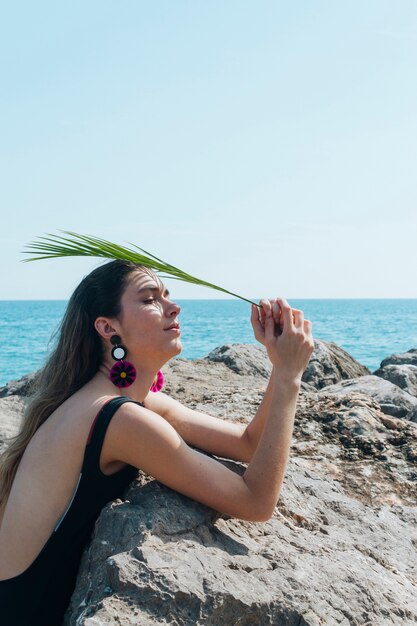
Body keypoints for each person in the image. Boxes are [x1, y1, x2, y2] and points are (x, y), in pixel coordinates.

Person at [0, 259, 314, 625]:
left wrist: (279, 364)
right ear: (107, 327)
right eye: (151, 299)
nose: (172, 306)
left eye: (167, 295)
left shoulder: (125, 400)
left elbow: (248, 444)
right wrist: (291, 377)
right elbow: (256, 502)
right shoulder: (118, 417)